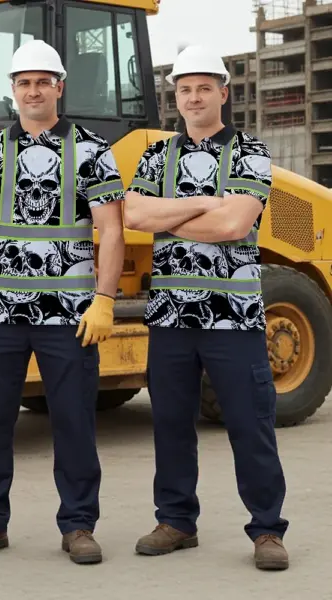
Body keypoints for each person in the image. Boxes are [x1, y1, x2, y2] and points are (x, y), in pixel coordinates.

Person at [0, 39, 125, 565]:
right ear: (12, 90)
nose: (33, 91)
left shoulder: (91, 150)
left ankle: (79, 525)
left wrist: (104, 299)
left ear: (59, 88)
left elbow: (112, 230)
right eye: (24, 82)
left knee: (74, 421)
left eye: (42, 82)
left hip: (70, 316)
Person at [124, 45, 289, 571]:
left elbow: (234, 225)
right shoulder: (156, 156)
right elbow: (134, 215)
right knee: (171, 424)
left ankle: (267, 529)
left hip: (232, 317)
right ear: (175, 97)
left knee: (249, 423)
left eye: (203, 88)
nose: (193, 98)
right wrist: (202, 203)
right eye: (184, 89)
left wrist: (169, 216)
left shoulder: (249, 151)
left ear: (223, 92)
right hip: (170, 316)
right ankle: (176, 521)